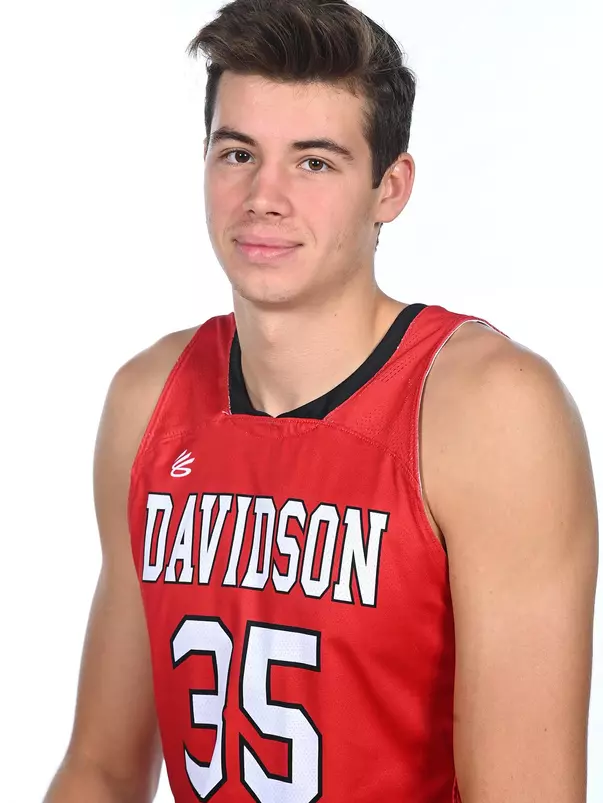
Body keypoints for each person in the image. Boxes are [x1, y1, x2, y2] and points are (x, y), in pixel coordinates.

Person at [44, 1, 598, 801]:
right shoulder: (148, 400)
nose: (263, 196)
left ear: (389, 187)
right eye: (237, 153)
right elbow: (100, 767)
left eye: (314, 162)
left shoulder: (489, 412)